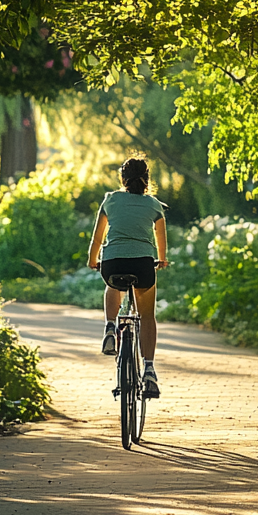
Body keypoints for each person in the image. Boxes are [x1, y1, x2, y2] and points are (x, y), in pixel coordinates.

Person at [86, 155, 168, 398]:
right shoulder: (154, 205)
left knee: (114, 284)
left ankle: (110, 328)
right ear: (147, 180)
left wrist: (93, 260)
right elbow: (161, 241)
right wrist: (161, 260)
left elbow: (98, 237)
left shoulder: (110, 200)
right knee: (147, 316)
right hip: (143, 264)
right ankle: (150, 370)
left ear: (122, 179)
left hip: (112, 262)